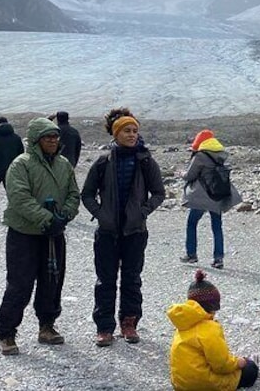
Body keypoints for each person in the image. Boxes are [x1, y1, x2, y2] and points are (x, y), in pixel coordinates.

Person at [0, 117, 80, 355]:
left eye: (55, 136)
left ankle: (47, 325)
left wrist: (65, 216)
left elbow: (74, 193)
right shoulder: (21, 164)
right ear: (36, 140)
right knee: (20, 283)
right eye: (47, 137)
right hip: (25, 234)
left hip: (54, 233)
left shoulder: (63, 164)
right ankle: (6, 332)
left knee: (53, 280)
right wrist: (47, 219)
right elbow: (19, 198)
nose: (53, 140)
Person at [81, 107, 166, 347]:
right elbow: (87, 194)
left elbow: (159, 192)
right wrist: (101, 215)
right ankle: (105, 328)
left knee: (132, 278)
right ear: (116, 134)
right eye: (127, 131)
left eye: (135, 131)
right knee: (105, 280)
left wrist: (143, 211)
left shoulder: (146, 161)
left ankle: (129, 323)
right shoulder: (103, 161)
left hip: (135, 231)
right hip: (107, 231)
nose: (132, 135)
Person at [168, 269, 259, 390]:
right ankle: (252, 363)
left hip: (181, 384)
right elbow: (221, 365)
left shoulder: (182, 324)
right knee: (250, 369)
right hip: (205, 384)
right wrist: (239, 362)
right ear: (213, 307)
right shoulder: (210, 328)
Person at [180, 129, 242, 269]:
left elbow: (190, 175)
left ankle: (191, 254)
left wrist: (181, 174)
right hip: (217, 195)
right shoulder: (220, 154)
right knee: (217, 226)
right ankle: (218, 258)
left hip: (202, 196)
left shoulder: (200, 156)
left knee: (192, 223)